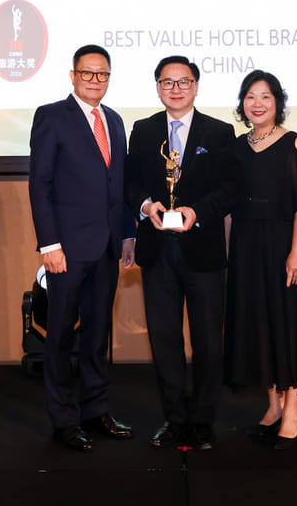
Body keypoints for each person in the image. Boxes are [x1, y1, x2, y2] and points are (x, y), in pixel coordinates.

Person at [124, 56, 243, 450]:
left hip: (203, 250)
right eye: (167, 82)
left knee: (208, 341)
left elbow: (231, 187)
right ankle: (174, 419)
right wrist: (146, 207)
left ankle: (203, 421)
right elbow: (130, 183)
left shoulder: (220, 132)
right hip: (157, 250)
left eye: (183, 81)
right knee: (164, 339)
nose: (175, 89)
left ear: (196, 86)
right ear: (157, 87)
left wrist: (198, 211)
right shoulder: (143, 130)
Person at [28, 45, 137, 452]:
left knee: (96, 333)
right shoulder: (51, 116)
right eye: (87, 73)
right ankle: (63, 420)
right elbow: (40, 184)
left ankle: (96, 410)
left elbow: (118, 186)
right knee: (60, 336)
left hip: (107, 247)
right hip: (66, 249)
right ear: (72, 76)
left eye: (102, 74)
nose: (95, 80)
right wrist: (49, 244)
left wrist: (127, 235)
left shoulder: (115, 120)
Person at [224, 70, 297, 450]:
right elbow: (229, 202)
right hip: (246, 245)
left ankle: (293, 406)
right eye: (250, 96)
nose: (257, 103)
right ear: (242, 103)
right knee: (256, 322)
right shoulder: (237, 146)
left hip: (283, 245)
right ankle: (273, 404)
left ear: (277, 102)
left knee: (286, 321)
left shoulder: (293, 143)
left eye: (265, 96)